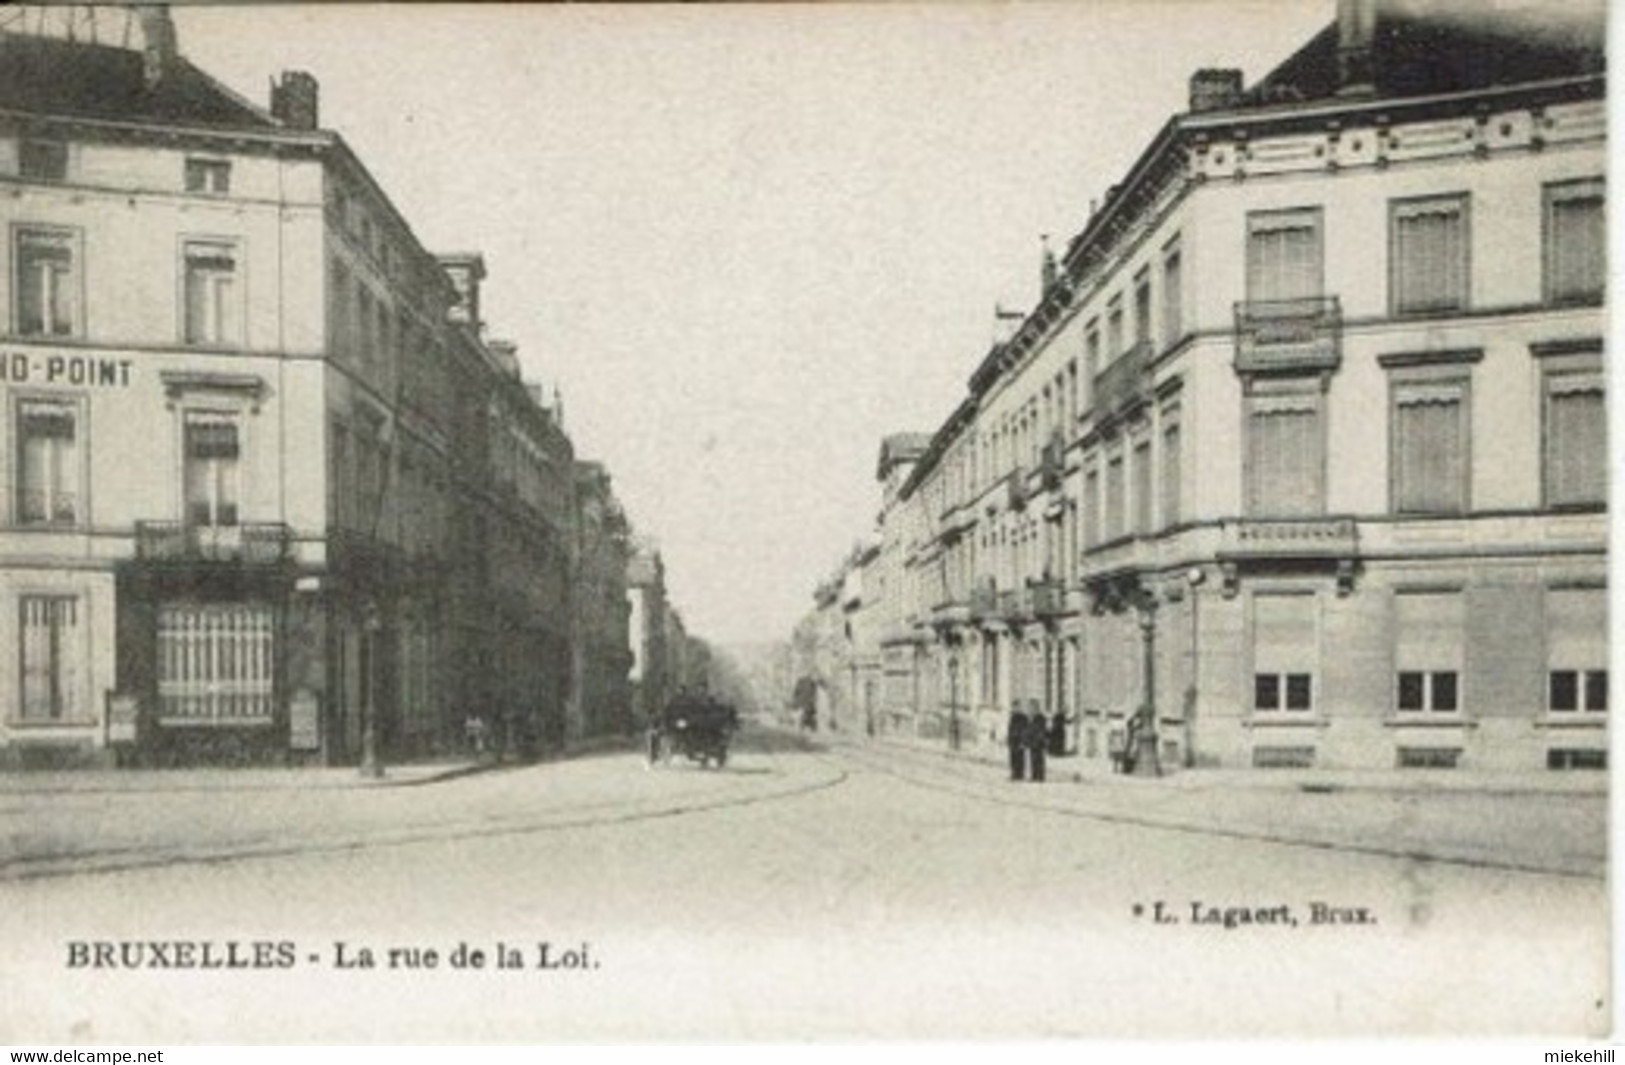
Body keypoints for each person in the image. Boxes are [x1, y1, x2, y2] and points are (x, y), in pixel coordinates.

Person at [1026, 698, 1048, 783]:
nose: (1030, 709)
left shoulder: (1040, 717)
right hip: (1033, 742)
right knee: (1033, 759)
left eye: (1032, 707)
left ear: (1036, 707)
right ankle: (1035, 775)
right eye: (1030, 707)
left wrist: (1038, 740)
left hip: (1038, 742)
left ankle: (1040, 776)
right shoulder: (1032, 717)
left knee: (1039, 759)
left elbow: (1040, 730)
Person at [1006, 701, 1029, 782]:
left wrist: (1023, 742)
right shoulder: (1012, 717)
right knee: (1013, 758)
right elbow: (1010, 729)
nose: (1015, 709)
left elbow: (1025, 731)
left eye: (1017, 707)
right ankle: (1014, 773)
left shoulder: (1023, 717)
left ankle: (1020, 774)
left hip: (1019, 740)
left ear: (1019, 707)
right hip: (1013, 741)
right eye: (1014, 707)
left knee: (1020, 758)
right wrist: (1009, 740)